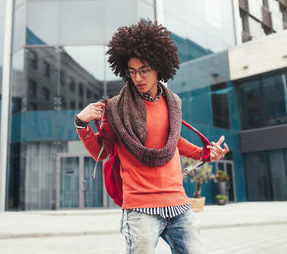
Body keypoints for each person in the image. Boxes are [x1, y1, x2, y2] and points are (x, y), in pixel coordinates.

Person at [74, 21, 229, 254]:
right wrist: (81, 124)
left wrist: (205, 153)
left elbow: (173, 141)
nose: (138, 78)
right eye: (132, 71)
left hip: (178, 204)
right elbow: (102, 153)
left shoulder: (173, 102)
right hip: (140, 207)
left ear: (158, 67)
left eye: (144, 70)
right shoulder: (116, 109)